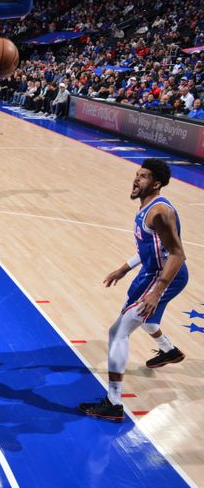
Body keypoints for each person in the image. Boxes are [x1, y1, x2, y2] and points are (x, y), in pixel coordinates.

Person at [80, 159, 188, 422]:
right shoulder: (146, 208)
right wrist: (123, 268)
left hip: (164, 277)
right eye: (137, 174)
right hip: (152, 273)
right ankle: (168, 350)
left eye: (144, 176)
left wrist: (157, 291)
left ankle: (114, 403)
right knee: (143, 317)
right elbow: (150, 249)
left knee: (118, 332)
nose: (136, 179)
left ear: (157, 184)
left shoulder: (159, 212)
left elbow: (177, 254)